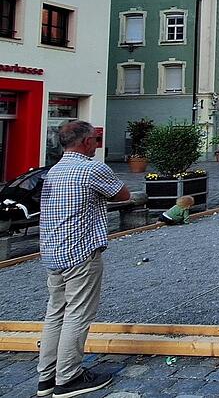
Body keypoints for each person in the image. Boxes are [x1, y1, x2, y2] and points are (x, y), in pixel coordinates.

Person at [36, 121, 130, 398]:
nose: (97, 143)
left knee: (55, 314)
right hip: (80, 250)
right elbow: (122, 194)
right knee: (78, 314)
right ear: (87, 142)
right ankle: (68, 378)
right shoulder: (91, 168)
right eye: (95, 139)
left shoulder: (54, 171)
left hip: (53, 251)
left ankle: (46, 376)